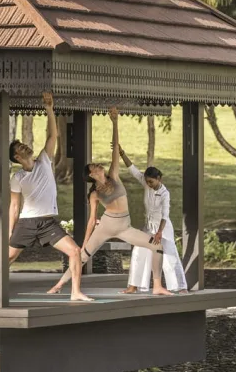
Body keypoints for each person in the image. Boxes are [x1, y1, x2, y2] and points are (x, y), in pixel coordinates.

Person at [48, 107, 172, 296]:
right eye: (94, 166)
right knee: (82, 256)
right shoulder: (94, 194)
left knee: (157, 246)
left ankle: (157, 286)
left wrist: (114, 122)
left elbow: (115, 148)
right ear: (91, 174)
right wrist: (86, 241)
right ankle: (59, 285)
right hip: (106, 225)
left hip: (124, 227)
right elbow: (92, 219)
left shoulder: (113, 176)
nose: (98, 165)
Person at [0, 95, 90, 302]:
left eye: (24, 145)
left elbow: (53, 136)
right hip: (27, 223)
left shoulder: (44, 161)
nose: (25, 147)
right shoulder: (18, 177)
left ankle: (75, 293)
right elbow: (14, 205)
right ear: (17, 158)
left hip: (48, 223)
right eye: (20, 148)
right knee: (8, 258)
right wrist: (11, 229)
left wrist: (49, 109)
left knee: (75, 251)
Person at [118, 147, 188, 294]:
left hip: (163, 228)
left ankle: (180, 287)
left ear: (159, 179)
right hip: (148, 227)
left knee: (169, 255)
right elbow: (133, 170)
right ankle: (133, 286)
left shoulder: (165, 193)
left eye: (151, 182)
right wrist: (122, 153)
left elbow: (165, 215)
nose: (149, 184)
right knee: (138, 252)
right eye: (147, 182)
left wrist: (160, 232)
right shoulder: (146, 184)